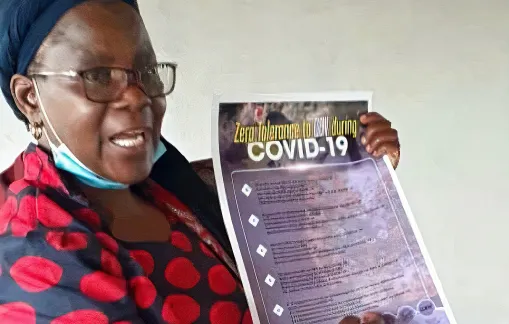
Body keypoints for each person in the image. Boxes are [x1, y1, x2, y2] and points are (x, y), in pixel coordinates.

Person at [0, 0, 401, 323]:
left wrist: (357, 164)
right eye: (99, 75)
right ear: (29, 97)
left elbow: (287, 215)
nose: (138, 97)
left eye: (147, 72)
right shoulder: (38, 253)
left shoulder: (166, 187)